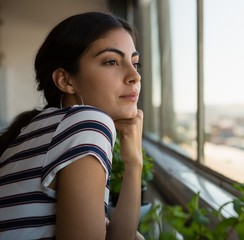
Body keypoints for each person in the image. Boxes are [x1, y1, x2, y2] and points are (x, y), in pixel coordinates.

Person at [0, 12, 145, 240]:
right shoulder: (86, 122)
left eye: (135, 63)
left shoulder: (38, 129)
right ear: (65, 80)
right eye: (111, 61)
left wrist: (134, 163)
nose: (134, 76)